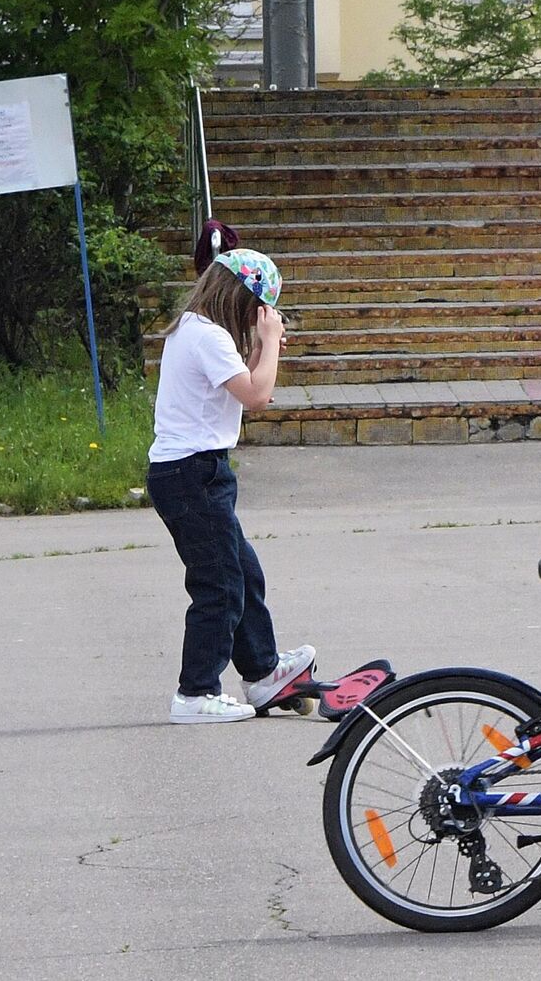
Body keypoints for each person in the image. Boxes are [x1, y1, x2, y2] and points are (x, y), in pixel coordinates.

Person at [147, 248, 314, 724]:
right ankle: (195, 693)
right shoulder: (208, 339)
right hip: (191, 473)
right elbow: (258, 395)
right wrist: (272, 339)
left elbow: (245, 382)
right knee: (219, 584)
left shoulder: (195, 330)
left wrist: (261, 348)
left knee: (242, 570)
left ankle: (263, 673)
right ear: (244, 301)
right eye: (256, 312)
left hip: (194, 471)